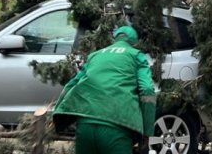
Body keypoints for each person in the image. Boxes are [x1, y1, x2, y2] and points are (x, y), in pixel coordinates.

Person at [52, 26, 156, 154]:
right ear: (134, 42)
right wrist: (147, 131)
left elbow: (71, 84)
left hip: (85, 125)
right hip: (117, 127)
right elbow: (147, 90)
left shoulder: (95, 56)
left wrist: (57, 114)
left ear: (115, 38)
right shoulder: (136, 55)